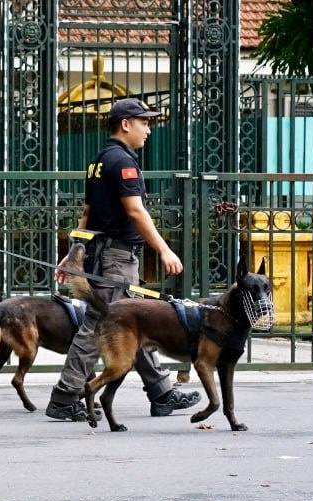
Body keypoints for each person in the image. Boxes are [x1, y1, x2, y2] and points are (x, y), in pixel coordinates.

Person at [46, 97, 201, 421]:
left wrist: (74, 252)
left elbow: (87, 213)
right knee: (99, 325)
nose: (149, 130)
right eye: (144, 122)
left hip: (105, 254)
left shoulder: (100, 161)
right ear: (126, 124)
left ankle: (161, 392)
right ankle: (65, 396)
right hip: (115, 258)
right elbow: (135, 211)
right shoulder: (122, 162)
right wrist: (164, 249)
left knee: (134, 321)